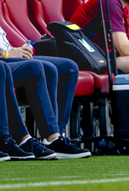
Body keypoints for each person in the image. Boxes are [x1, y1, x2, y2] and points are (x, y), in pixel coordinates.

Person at [0, 26, 91, 159]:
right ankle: (25, 138)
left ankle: (54, 136)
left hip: (7, 54)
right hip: (4, 59)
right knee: (34, 68)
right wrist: (8, 53)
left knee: (68, 67)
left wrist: (14, 50)